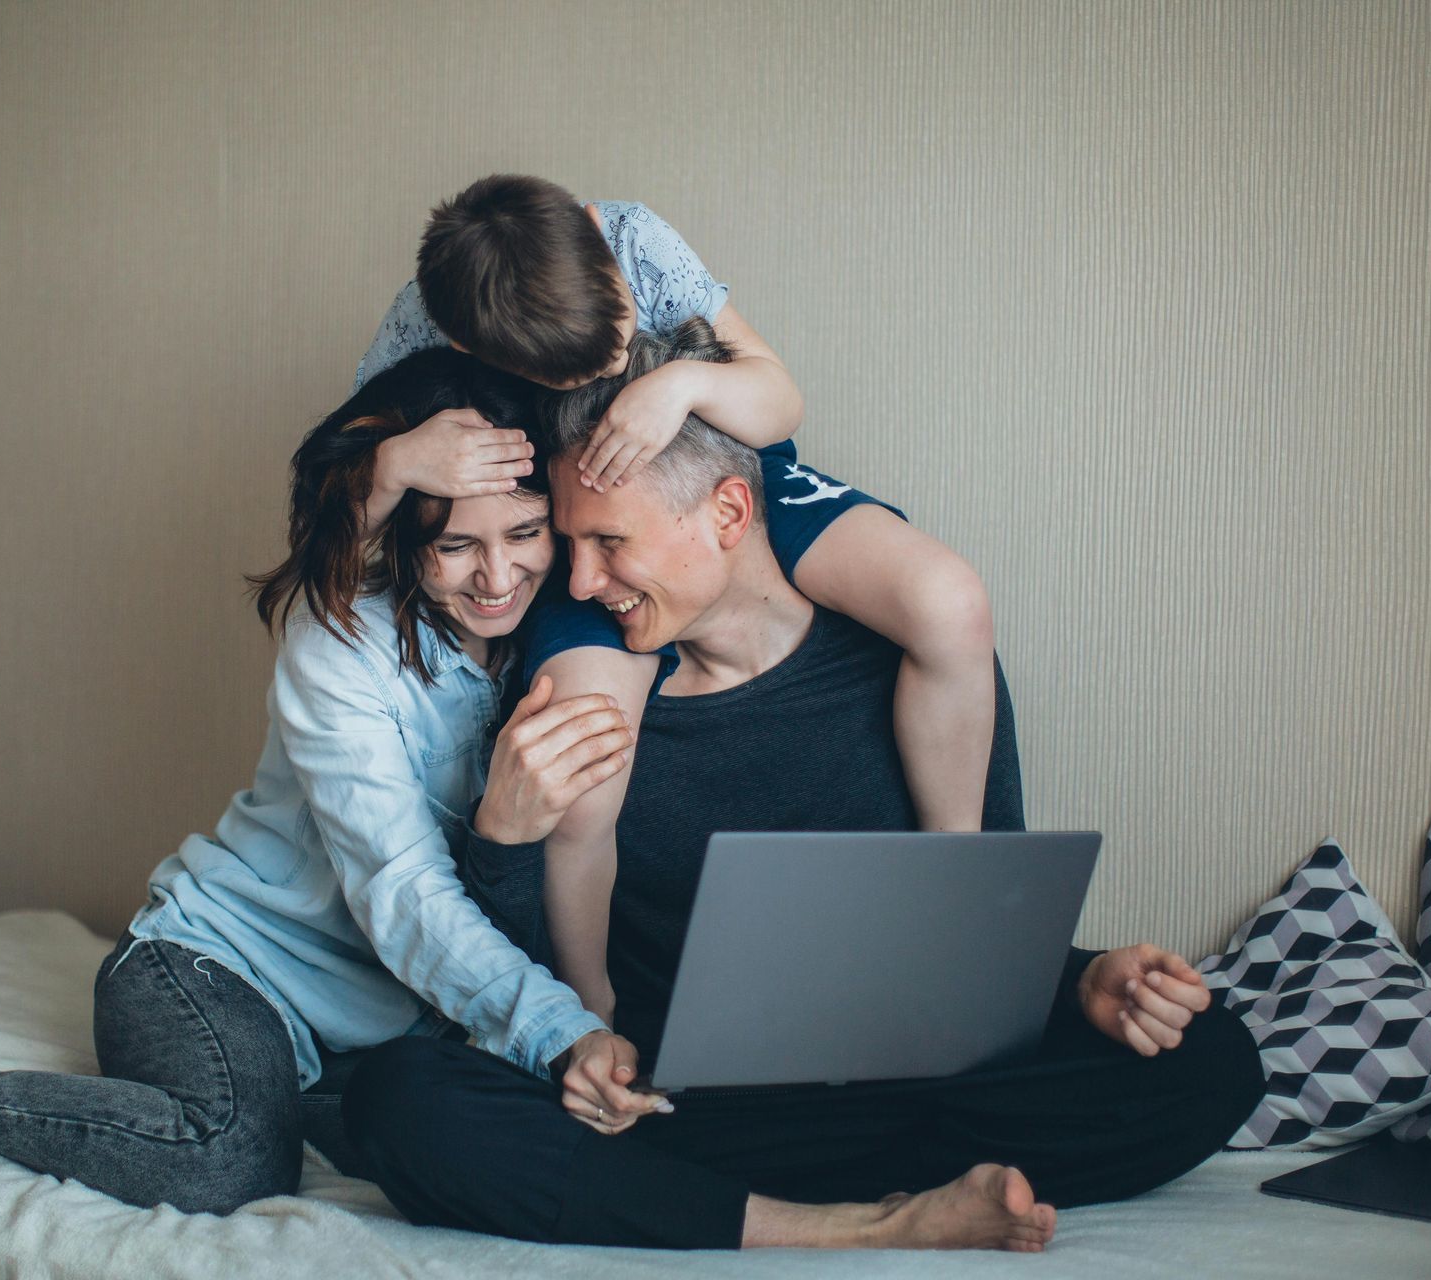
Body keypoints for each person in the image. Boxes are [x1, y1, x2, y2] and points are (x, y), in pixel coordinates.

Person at [339, 323, 1269, 1253]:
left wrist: (1079, 986)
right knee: (400, 1103)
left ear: (730, 515)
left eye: (611, 543)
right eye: (573, 544)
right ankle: (868, 1223)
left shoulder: (911, 669)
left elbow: (962, 935)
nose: (579, 581)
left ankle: (722, 1205)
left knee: (1212, 1058)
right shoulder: (580, 697)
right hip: (682, 1104)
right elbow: (521, 988)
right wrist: (503, 841)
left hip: (906, 1088)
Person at [0, 350, 631, 1214]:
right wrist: (558, 1028)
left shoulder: (558, 641)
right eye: (456, 547)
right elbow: (402, 891)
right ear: (407, 541)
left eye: (523, 532)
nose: (498, 574)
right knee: (230, 1158)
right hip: (215, 968)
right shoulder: (341, 644)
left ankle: (294, 1103)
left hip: (378, 1032)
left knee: (468, 1140)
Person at [358, 173, 1000, 1026]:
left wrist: (684, 386)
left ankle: (955, 878)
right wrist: (398, 460)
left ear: (598, 239)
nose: (610, 371)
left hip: (723, 469)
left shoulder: (636, 236)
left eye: (616, 341)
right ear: (471, 348)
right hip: (582, 515)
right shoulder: (419, 330)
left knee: (948, 602)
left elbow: (779, 396)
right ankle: (589, 1010)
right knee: (586, 778)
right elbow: (341, 504)